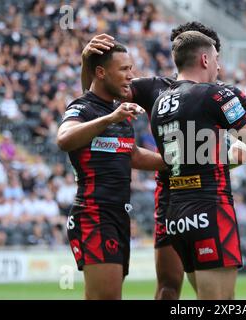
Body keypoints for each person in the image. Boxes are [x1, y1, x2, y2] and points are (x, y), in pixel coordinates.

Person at [80, 21, 246, 300]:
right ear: (201, 56)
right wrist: (88, 65)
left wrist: (225, 158)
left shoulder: (226, 95)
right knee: (170, 287)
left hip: (206, 192)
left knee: (214, 295)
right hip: (171, 197)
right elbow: (97, 97)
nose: (218, 66)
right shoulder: (155, 88)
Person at [151, 30, 246, 299]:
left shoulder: (159, 103)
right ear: (204, 59)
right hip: (209, 209)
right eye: (216, 59)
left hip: (176, 215)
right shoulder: (214, 94)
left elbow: (192, 156)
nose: (219, 66)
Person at [57, 43, 166, 300]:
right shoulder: (84, 107)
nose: (131, 75)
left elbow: (134, 155)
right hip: (94, 213)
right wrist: (109, 119)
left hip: (117, 215)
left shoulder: (117, 111)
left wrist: (181, 161)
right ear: (101, 73)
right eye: (124, 69)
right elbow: (64, 139)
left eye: (132, 68)